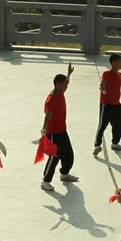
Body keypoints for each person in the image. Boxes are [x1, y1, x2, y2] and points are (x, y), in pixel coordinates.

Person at [40, 63, 78, 192]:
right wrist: (44, 129)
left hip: (62, 130)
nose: (67, 87)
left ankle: (64, 173)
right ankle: (45, 181)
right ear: (58, 84)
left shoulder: (60, 92)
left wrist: (69, 74)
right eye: (65, 84)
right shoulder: (51, 99)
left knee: (68, 153)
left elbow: (65, 83)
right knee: (54, 156)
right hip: (53, 133)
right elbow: (48, 115)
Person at [94, 54, 121, 156]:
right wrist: (102, 87)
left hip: (117, 104)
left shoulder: (119, 74)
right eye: (120, 61)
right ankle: (97, 145)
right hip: (106, 104)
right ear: (113, 63)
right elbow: (103, 84)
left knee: (119, 126)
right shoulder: (107, 74)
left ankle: (115, 143)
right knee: (102, 126)